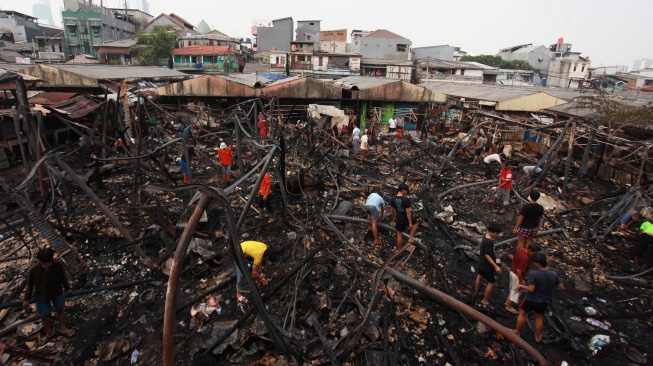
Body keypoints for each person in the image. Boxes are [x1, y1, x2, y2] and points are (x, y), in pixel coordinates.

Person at [23, 248, 75, 341]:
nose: (45, 266)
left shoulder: (57, 265)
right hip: (41, 294)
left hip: (56, 291)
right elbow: (30, 285)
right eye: (43, 264)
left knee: (60, 309)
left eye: (47, 264)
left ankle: (63, 328)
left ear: (51, 260)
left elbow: (63, 277)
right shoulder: (34, 270)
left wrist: (67, 288)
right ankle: (49, 332)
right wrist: (26, 299)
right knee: (43, 315)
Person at [513, 253, 564, 343]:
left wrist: (521, 286)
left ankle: (517, 331)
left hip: (531, 298)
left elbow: (531, 289)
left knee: (522, 313)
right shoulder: (553, 274)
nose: (534, 264)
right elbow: (561, 287)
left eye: (535, 262)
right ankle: (537, 336)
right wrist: (551, 286)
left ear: (538, 263)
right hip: (545, 300)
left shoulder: (534, 274)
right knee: (539, 317)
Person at [505, 244, 540, 314]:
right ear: (530, 250)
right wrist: (520, 282)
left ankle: (507, 302)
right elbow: (519, 270)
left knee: (512, 289)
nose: (534, 254)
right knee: (516, 291)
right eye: (534, 252)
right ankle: (508, 306)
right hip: (517, 275)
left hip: (512, 271)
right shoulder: (525, 258)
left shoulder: (521, 249)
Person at [474, 222, 502, 308]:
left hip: (482, 263)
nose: (497, 235)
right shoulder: (489, 242)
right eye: (496, 233)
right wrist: (495, 266)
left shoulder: (485, 236)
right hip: (487, 266)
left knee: (480, 275)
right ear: (491, 232)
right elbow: (487, 255)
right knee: (492, 282)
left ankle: (476, 291)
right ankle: (485, 300)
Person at [390, 183, 419, 250]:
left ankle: (399, 249)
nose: (406, 192)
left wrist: (394, 218)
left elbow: (392, 210)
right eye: (406, 191)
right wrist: (410, 223)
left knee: (399, 235)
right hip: (405, 217)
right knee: (416, 222)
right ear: (403, 190)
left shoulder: (393, 199)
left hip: (399, 217)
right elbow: (408, 212)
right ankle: (410, 238)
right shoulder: (406, 199)